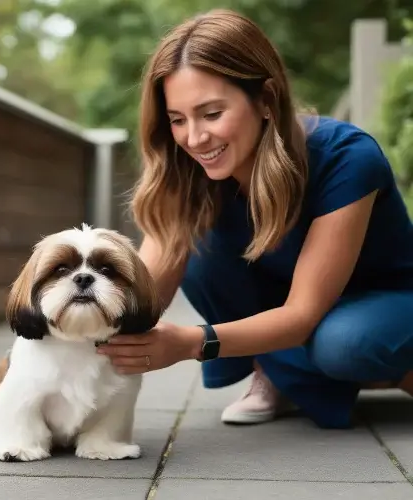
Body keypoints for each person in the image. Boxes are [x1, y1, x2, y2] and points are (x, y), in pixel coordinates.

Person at [96, 8, 413, 429]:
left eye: (211, 114)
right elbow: (140, 295)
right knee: (198, 249)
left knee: (342, 344)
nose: (194, 138)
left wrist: (195, 342)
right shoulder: (187, 173)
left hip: (386, 301)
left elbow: (301, 314)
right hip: (305, 315)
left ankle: (363, 371)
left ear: (265, 99)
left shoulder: (346, 157)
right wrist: (39, 352)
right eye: (177, 120)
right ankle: (283, 373)